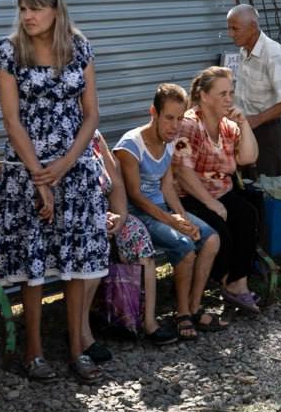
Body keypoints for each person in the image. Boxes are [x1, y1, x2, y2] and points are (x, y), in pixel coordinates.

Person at [0, 0, 109, 384]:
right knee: (34, 264)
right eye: (23, 8)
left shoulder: (79, 47)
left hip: (75, 170)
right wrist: (40, 175)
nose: (27, 16)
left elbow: (91, 113)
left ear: (55, 10)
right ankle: (34, 352)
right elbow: (11, 119)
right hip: (28, 171)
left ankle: (78, 349)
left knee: (77, 262)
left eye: (35, 8)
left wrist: (67, 163)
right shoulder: (8, 51)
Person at [115, 83, 222, 341]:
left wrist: (183, 217)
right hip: (137, 215)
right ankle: (182, 313)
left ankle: (194, 307)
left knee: (211, 239)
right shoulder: (131, 145)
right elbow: (136, 196)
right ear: (154, 112)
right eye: (169, 118)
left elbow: (167, 186)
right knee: (184, 247)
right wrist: (173, 222)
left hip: (161, 209)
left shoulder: (171, 142)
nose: (174, 126)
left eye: (179, 118)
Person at [174, 67, 261, 316]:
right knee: (219, 230)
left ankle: (237, 283)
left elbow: (248, 156)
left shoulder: (227, 126)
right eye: (222, 94)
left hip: (220, 191)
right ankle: (221, 284)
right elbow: (183, 171)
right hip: (190, 196)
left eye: (231, 93)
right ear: (204, 96)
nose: (229, 99)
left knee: (247, 215)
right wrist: (211, 204)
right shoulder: (190, 124)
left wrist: (243, 124)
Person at [80, 131, 176, 352]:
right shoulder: (60, 133)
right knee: (92, 242)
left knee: (137, 235)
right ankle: (83, 332)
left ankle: (146, 321)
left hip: (108, 216)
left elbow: (116, 184)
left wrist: (120, 217)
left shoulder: (94, 136)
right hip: (79, 218)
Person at [226, 4, 281, 178]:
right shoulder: (244, 50)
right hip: (245, 131)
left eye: (235, 28)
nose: (231, 34)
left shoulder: (272, 53)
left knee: (268, 189)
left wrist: (256, 120)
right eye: (229, 28)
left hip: (265, 134)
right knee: (247, 187)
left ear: (252, 27)